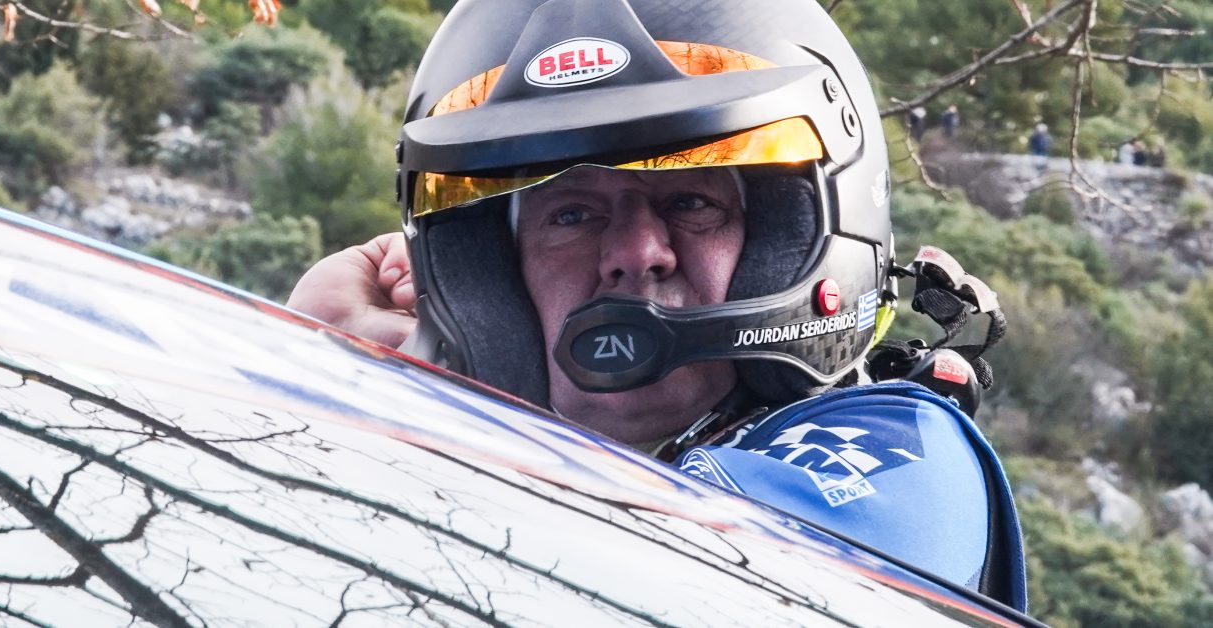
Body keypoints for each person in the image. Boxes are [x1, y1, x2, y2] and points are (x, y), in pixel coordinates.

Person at [288, 0, 1026, 611]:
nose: (636, 251)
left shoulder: (904, 459)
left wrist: (382, 419)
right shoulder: (481, 468)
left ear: (796, 243)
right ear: (489, 281)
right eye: (571, 215)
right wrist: (324, 387)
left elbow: (671, 594)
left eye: (690, 201)